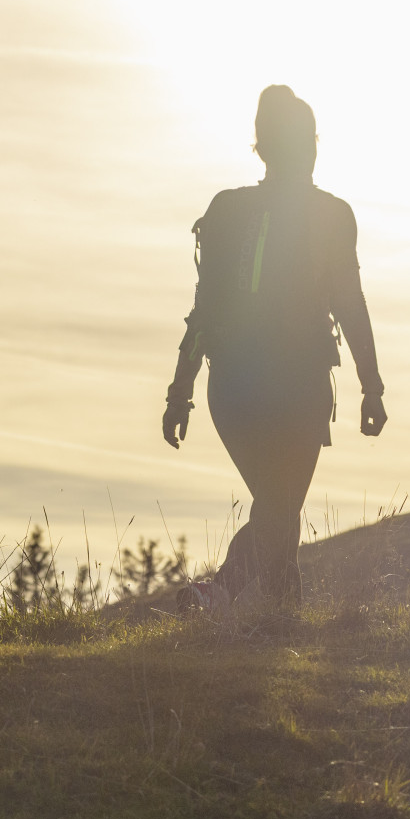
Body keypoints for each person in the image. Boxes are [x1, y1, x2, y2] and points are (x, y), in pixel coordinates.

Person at [162, 85, 385, 611]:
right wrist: (370, 387)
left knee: (278, 511)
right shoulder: (331, 214)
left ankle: (269, 629)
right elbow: (350, 306)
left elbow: (205, 311)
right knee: (280, 508)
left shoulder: (227, 209)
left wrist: (181, 391)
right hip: (297, 387)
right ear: (309, 146)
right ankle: (217, 598)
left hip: (234, 391)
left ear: (260, 148)